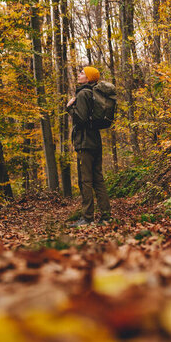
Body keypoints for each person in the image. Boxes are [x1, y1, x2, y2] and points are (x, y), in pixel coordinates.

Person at [66, 66, 111, 226]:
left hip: (85, 142)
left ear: (89, 78)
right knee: (98, 179)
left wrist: (69, 108)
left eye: (82, 73)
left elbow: (81, 119)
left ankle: (87, 218)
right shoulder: (93, 93)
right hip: (95, 141)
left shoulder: (84, 93)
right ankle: (106, 216)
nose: (79, 75)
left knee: (86, 180)